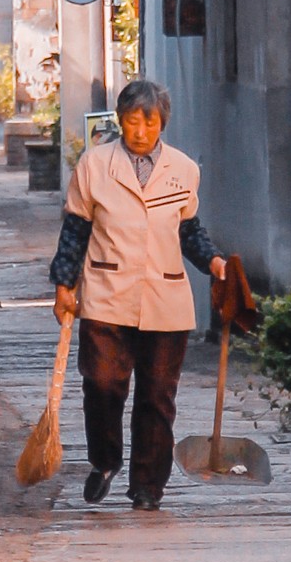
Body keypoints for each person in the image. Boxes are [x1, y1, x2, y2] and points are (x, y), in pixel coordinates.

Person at [49, 76, 242, 512]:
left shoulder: (184, 170)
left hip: (164, 299)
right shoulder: (94, 166)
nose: (140, 132)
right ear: (120, 121)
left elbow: (190, 231)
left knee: (157, 395)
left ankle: (148, 486)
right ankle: (104, 462)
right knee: (101, 384)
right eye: (132, 122)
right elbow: (75, 230)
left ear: (162, 125)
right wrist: (64, 284)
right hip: (106, 293)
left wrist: (214, 263)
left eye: (149, 123)